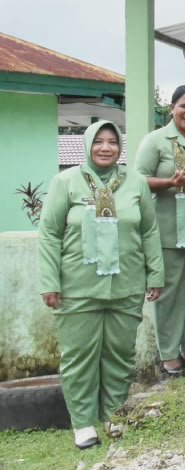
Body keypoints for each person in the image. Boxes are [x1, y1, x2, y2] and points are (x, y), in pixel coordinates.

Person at [38, 122, 163, 449]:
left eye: (112, 142)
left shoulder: (135, 182)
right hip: (77, 285)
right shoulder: (65, 181)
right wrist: (49, 281)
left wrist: (156, 274)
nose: (106, 148)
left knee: (120, 354)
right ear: (87, 145)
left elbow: (149, 230)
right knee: (80, 356)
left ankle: (113, 415)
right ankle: (82, 423)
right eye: (99, 142)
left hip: (127, 282)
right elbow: (49, 233)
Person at [135, 86, 185, 378]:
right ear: (172, 108)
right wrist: (168, 182)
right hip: (169, 231)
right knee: (168, 294)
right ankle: (169, 355)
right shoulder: (156, 140)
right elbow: (137, 180)